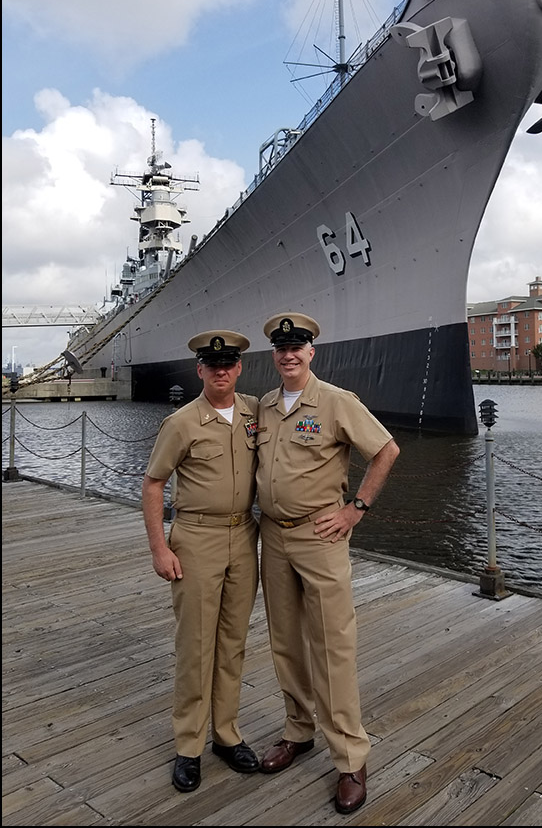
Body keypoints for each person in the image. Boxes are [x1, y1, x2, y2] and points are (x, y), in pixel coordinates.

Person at [254, 313, 400, 814]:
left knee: (333, 645)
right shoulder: (267, 407)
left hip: (320, 536)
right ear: (273, 355)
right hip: (273, 537)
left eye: (297, 347)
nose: (289, 355)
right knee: (285, 640)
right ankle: (298, 730)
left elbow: (385, 449)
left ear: (312, 352)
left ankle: (350, 758)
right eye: (281, 348)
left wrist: (355, 509)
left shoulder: (337, 402)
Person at [141, 330, 261, 792]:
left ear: (240, 367)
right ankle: (188, 745)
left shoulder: (255, 413)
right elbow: (154, 485)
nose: (221, 371)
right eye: (212, 365)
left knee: (232, 643)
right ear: (200, 370)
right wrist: (159, 548)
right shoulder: (181, 422)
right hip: (196, 538)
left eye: (228, 363)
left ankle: (226, 736)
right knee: (195, 647)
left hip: (243, 536)